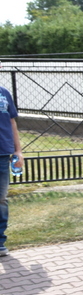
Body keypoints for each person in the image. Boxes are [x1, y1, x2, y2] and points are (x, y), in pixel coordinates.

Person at [0, 85, 23, 258]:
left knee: (0, 199)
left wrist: (18, 151)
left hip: (2, 153)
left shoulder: (4, 92)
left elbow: (12, 121)